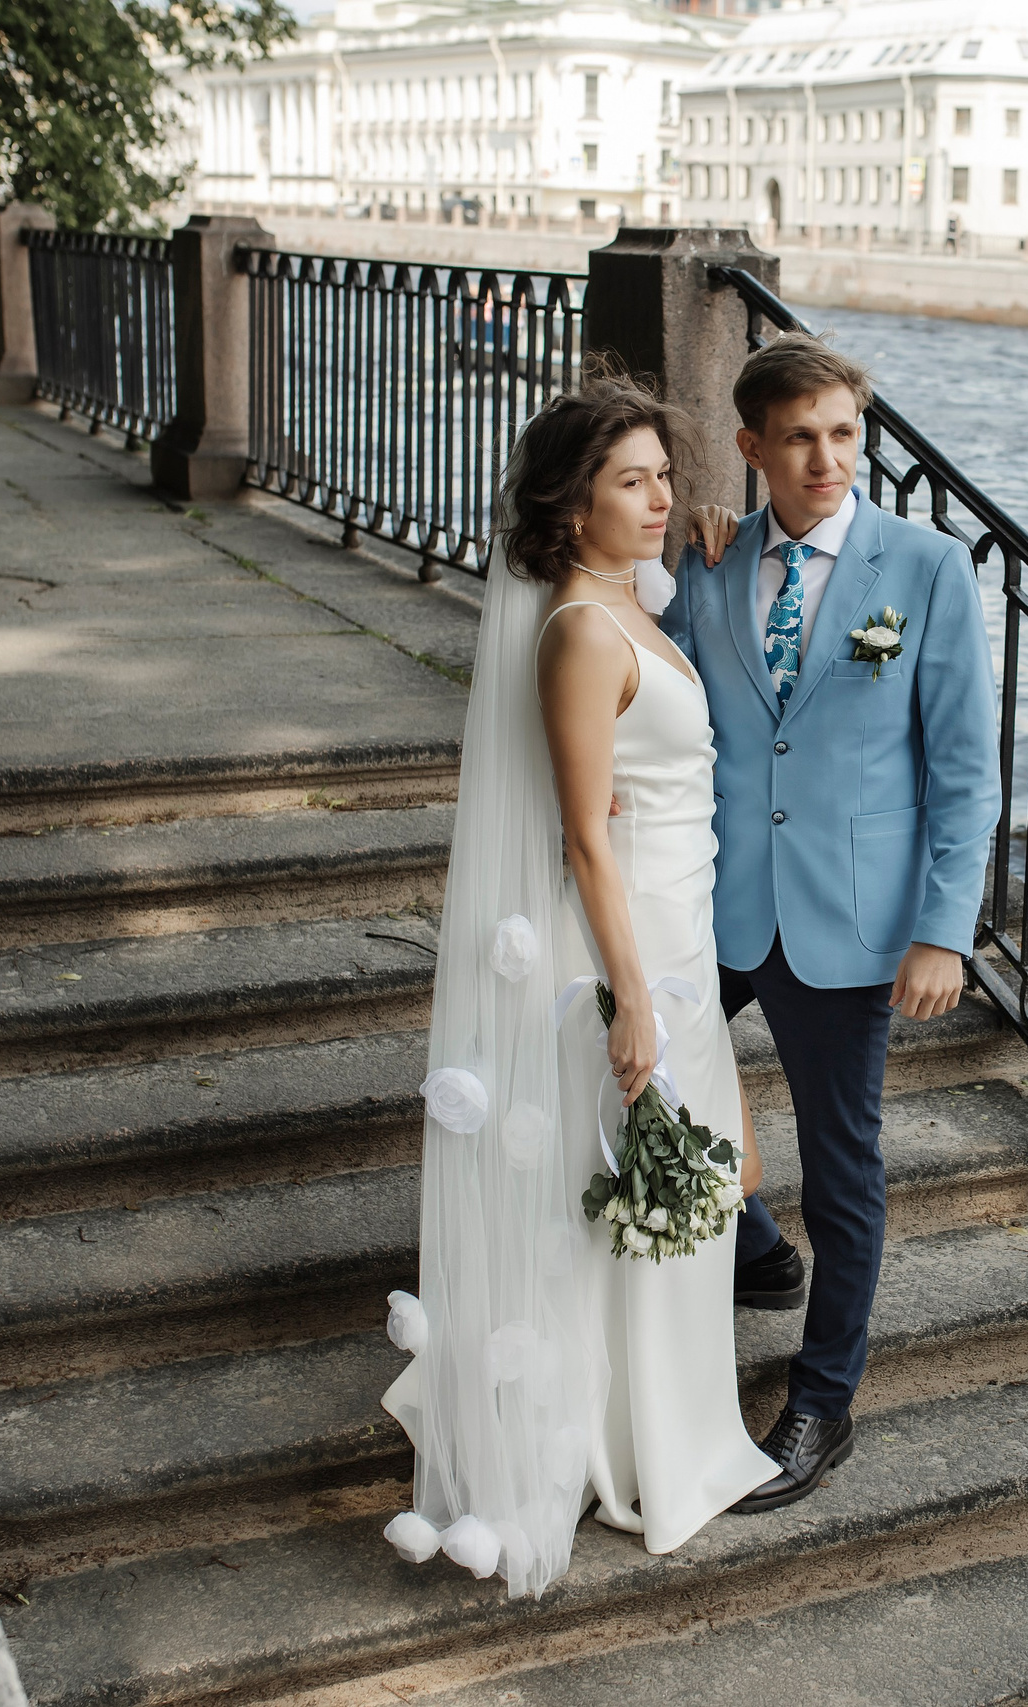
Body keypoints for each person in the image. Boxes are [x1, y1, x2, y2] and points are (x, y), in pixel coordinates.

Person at [379, 376, 773, 1594]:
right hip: (632, 942)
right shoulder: (579, 632)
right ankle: (634, 1448)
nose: (661, 498)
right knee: (647, 1192)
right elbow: (586, 837)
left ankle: (668, 1429)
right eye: (632, 481)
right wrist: (633, 996)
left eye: (664, 475)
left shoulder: (631, 605)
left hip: (678, 931)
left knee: (700, 1183)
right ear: (571, 500)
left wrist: (699, 549)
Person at [661, 332, 1001, 1514]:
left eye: (844, 435)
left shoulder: (925, 569)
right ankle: (752, 1246)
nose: (826, 459)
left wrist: (942, 931)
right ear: (752, 447)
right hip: (713, 903)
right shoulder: (706, 566)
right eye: (799, 438)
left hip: (852, 923)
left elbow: (963, 771)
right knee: (635, 1072)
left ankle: (823, 1400)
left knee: (844, 1167)